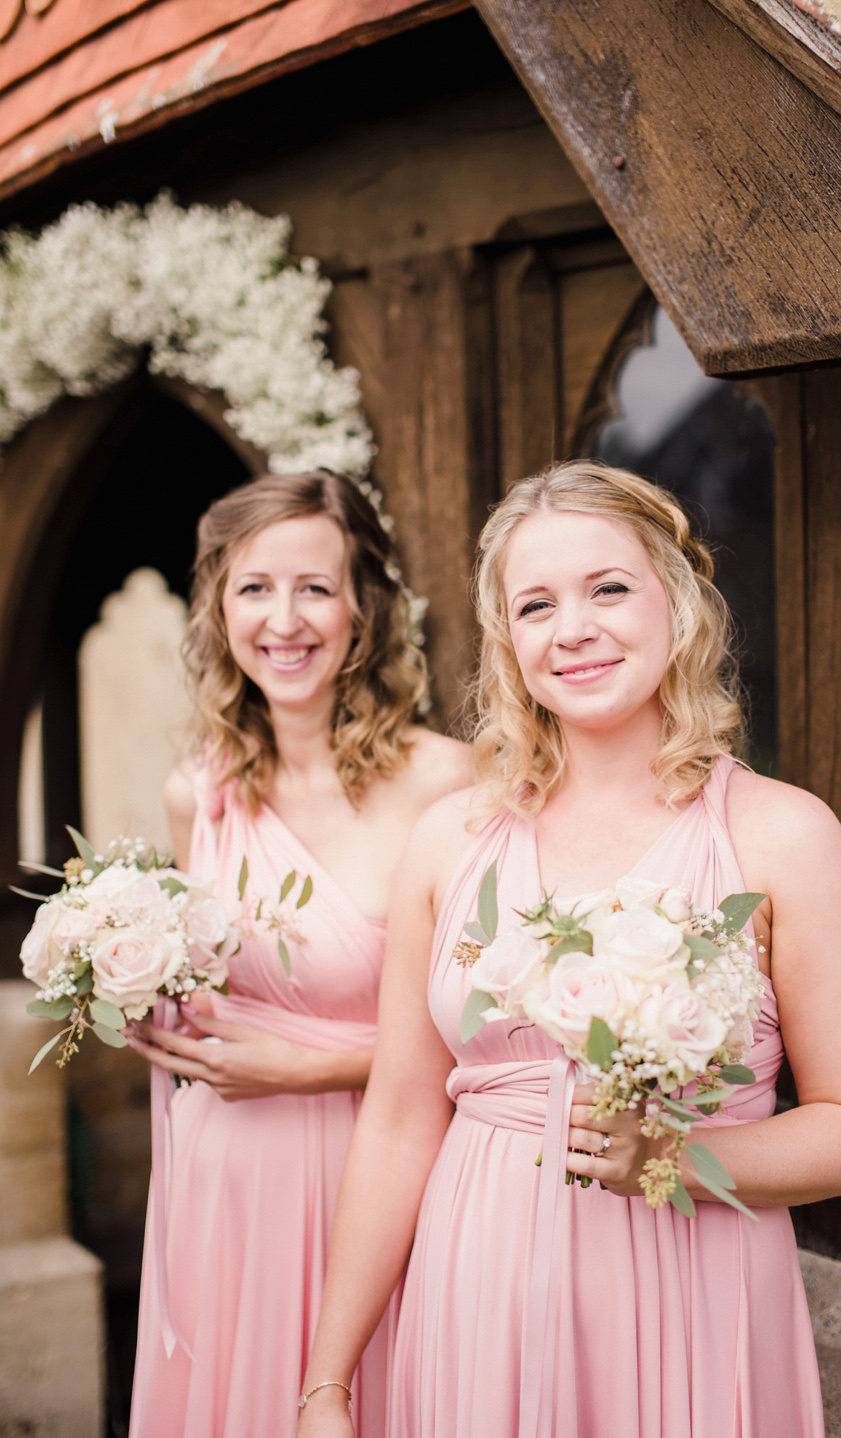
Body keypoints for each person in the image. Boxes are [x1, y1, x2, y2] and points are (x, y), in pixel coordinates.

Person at [298, 458, 841, 1438]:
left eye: (607, 588)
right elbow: (400, 1121)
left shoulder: (785, 836)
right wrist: (327, 1380)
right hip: (476, 1292)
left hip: (691, 1295)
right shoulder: (449, 842)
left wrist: (674, 1155)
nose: (572, 628)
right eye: (536, 604)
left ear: (678, 603)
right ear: (508, 642)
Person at [126, 470, 473, 1438]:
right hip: (227, 1183)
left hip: (385, 1174)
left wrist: (310, 1064)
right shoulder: (198, 792)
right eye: (254, 588)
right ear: (219, 610)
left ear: (364, 607)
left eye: (315, 587)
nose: (286, 618)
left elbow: (497, 1032)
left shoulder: (448, 783)